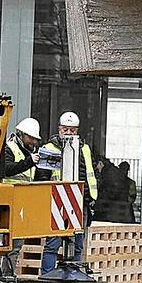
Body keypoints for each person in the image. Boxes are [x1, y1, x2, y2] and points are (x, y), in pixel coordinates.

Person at [35, 111, 98, 274]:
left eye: (72, 130)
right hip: (57, 203)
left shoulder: (84, 149)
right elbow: (42, 178)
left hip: (80, 202)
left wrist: (89, 199)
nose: (69, 133)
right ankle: (48, 276)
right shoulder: (49, 149)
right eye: (65, 130)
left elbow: (88, 174)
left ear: (77, 131)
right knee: (53, 244)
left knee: (78, 245)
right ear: (59, 129)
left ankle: (74, 276)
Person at [0, 117, 42, 283]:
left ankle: (8, 280)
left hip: (21, 205)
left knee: (16, 246)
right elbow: (7, 169)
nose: (33, 141)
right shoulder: (9, 149)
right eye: (31, 138)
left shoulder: (29, 152)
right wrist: (29, 162)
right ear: (22, 135)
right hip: (5, 205)